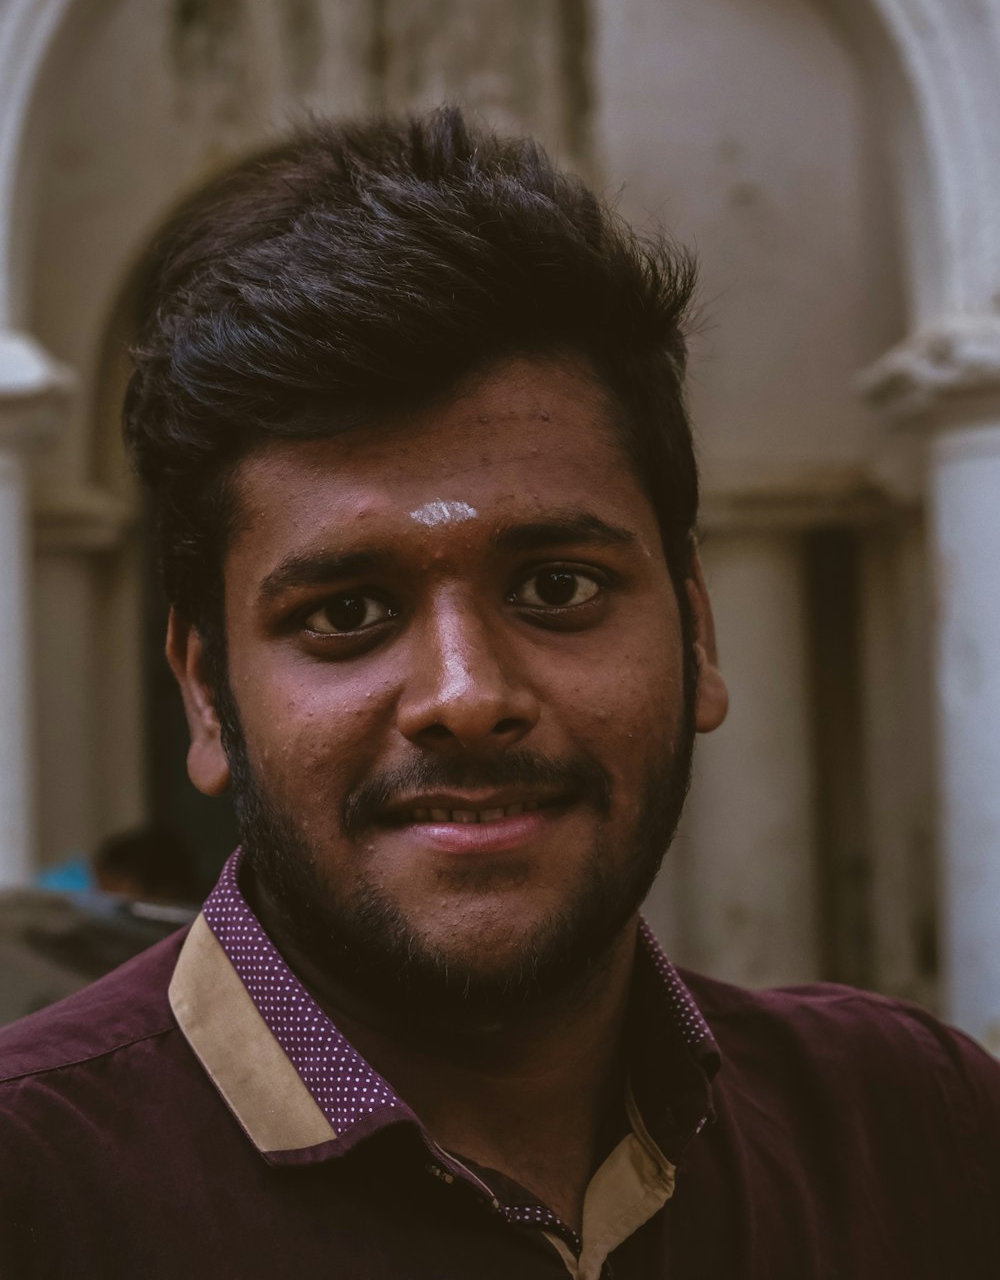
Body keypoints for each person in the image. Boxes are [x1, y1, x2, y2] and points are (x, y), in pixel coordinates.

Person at [0, 107, 997, 1279]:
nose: (467, 695)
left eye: (558, 583)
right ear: (209, 694)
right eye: (346, 612)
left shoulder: (910, 1135)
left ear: (697, 631)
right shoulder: (38, 1193)